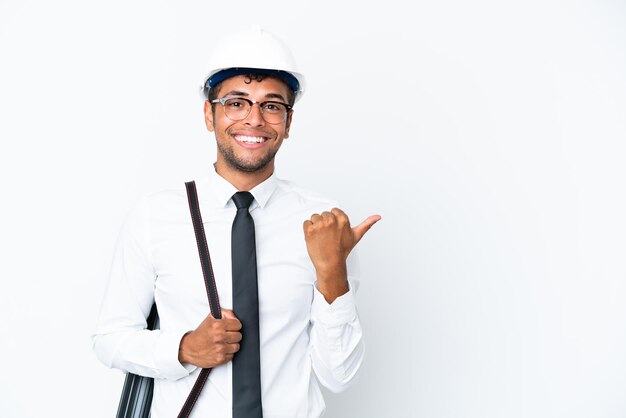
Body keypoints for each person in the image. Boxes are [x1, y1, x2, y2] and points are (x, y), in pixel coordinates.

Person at [92, 25, 381, 418]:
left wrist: (333, 277)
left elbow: (340, 376)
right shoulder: (154, 216)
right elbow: (110, 339)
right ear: (209, 115)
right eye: (236, 102)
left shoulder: (323, 223)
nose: (254, 119)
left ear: (288, 123)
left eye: (272, 105)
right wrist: (182, 348)